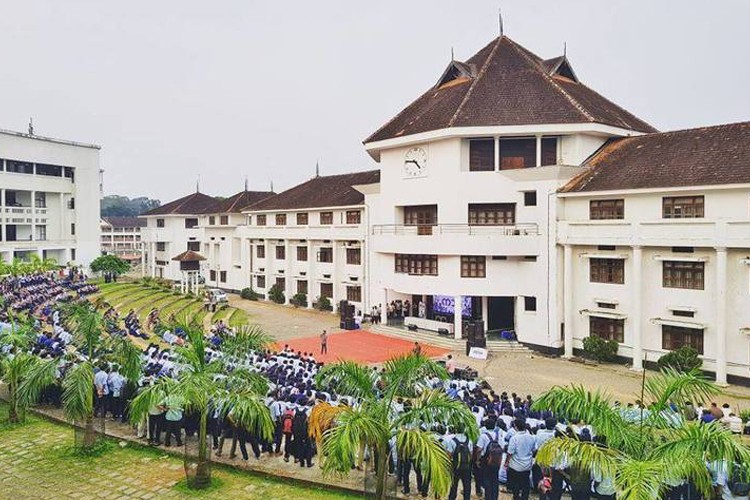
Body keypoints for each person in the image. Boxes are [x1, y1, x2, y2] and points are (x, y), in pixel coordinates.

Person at [506, 419, 534, 500]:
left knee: (515, 484)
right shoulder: (531, 437)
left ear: (516, 427)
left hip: (515, 465)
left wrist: (506, 462)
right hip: (527, 465)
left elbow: (510, 453)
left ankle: (516, 497)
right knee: (525, 484)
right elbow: (534, 449)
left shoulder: (514, 438)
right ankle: (524, 498)